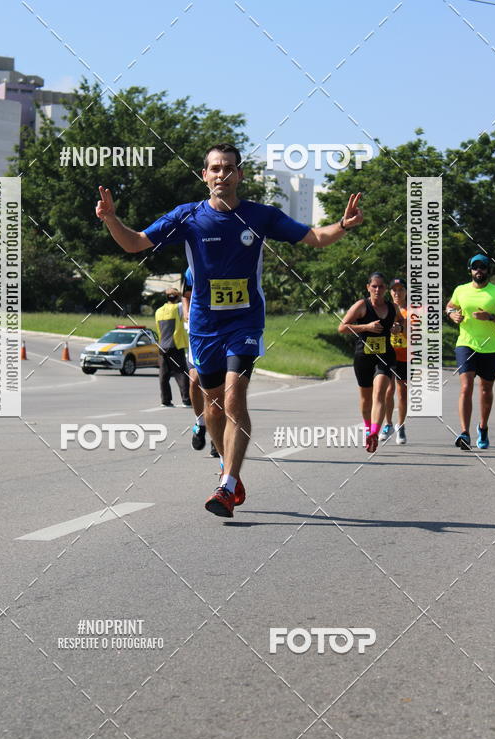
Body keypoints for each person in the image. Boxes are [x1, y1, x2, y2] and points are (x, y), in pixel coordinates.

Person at [95, 142, 363, 517]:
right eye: (215, 168)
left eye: (228, 168)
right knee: (215, 406)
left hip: (245, 321)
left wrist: (343, 226)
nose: (221, 174)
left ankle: (228, 483)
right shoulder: (187, 217)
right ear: (205, 175)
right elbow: (135, 243)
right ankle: (227, 471)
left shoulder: (260, 215)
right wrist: (111, 219)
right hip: (205, 326)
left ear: (239, 174)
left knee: (235, 396)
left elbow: (315, 237)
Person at [445, 253, 495, 450]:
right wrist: (452, 314)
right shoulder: (461, 290)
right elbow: (449, 306)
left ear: (488, 270)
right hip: (466, 344)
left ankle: (483, 427)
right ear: (470, 270)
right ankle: (465, 433)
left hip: (490, 347)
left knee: (486, 390)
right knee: (466, 387)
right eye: (475, 267)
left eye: (482, 267)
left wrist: (491, 317)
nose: (479, 270)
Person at [338, 272, 402, 453]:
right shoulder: (361, 305)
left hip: (385, 357)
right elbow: (342, 327)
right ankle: (368, 428)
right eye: (374, 286)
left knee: (379, 394)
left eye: (381, 286)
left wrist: (399, 328)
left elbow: (401, 323)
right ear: (368, 287)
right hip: (363, 357)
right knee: (366, 399)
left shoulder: (392, 307)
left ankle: (374, 432)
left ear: (385, 289)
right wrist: (366, 327)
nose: (377, 289)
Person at [182, 266, 217, 454]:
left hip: (227, 330)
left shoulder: (234, 257)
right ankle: (200, 423)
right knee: (195, 381)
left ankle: (217, 439)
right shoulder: (193, 267)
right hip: (200, 331)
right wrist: (187, 313)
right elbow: (186, 294)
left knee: (222, 389)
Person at [382, 277, 409, 445]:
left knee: (402, 393)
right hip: (388, 354)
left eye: (400, 290)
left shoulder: (413, 310)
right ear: (390, 292)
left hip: (405, 355)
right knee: (388, 390)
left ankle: (401, 426)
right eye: (394, 290)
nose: (397, 293)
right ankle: (388, 424)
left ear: (406, 292)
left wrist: (401, 328)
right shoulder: (385, 309)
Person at [154, 288, 192, 407]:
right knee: (182, 373)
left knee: (164, 375)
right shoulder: (178, 308)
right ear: (176, 297)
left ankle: (165, 401)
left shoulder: (158, 311)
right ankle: (186, 400)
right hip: (175, 345)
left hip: (162, 346)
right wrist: (181, 294)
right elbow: (187, 300)